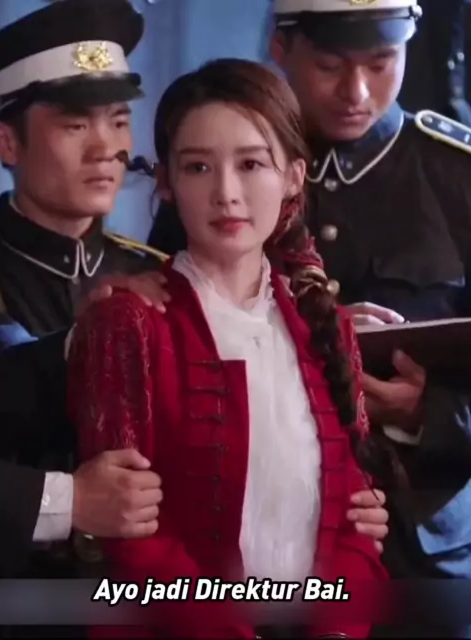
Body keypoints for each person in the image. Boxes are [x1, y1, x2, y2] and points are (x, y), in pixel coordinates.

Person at [146, 0, 471, 613]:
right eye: (329, 65)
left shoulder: (456, 174)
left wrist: (427, 414)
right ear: (281, 48)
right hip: (253, 544)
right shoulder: (223, 169)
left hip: (423, 553)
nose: (356, 92)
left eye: (381, 62)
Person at [68, 57, 387, 640]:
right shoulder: (130, 322)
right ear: (166, 183)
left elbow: (359, 522)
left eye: (251, 164)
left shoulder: (325, 326)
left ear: (294, 176)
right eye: (198, 167)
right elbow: (131, 537)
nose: (226, 194)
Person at [0, 0, 167, 609]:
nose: (105, 148)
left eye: (118, 121)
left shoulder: (159, 274)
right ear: (7, 142)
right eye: (75, 126)